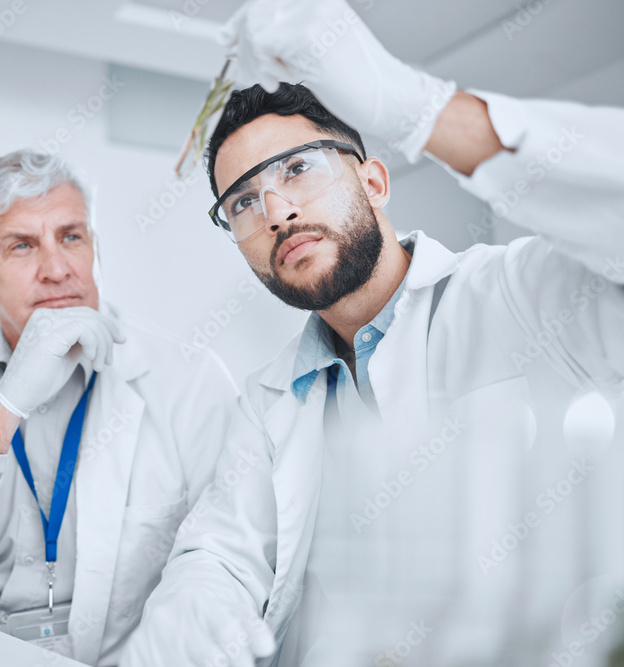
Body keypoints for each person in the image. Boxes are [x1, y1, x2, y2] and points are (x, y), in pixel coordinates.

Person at [122, 1, 624, 665]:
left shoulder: (517, 294)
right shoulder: (266, 403)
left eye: (297, 168)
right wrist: (193, 598)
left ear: (375, 180)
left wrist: (413, 106)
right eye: (242, 202)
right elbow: (221, 550)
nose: (277, 211)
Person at [0, 150, 238, 666]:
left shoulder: (189, 378)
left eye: (72, 237)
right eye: (22, 245)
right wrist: (9, 399)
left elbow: (225, 569)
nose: (57, 269)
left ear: (96, 250)